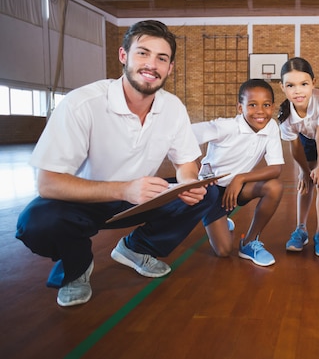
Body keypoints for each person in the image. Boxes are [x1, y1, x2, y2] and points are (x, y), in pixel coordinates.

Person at [15, 20, 219, 307]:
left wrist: (187, 183)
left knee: (207, 192)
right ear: (124, 56)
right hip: (85, 201)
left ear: (170, 68)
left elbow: (186, 163)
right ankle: (77, 268)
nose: (151, 65)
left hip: (140, 198)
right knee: (36, 222)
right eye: (143, 53)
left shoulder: (172, 107)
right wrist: (123, 189)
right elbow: (48, 183)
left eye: (162, 58)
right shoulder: (82, 104)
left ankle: (136, 248)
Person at [192, 79, 284, 267]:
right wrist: (195, 175)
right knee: (224, 251)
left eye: (266, 105)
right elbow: (185, 137)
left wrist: (240, 178)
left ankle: (250, 242)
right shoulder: (226, 127)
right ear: (240, 108)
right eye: (252, 105)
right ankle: (219, 219)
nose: (260, 111)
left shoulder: (271, 126)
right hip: (212, 191)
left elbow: (276, 168)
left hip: (237, 187)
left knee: (274, 187)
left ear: (273, 107)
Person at [278, 57, 319, 256]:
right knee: (304, 183)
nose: (298, 91)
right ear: (282, 87)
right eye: (291, 85)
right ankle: (301, 229)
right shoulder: (285, 116)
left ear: (313, 82)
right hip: (306, 138)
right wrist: (305, 172)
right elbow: (295, 148)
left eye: (304, 84)